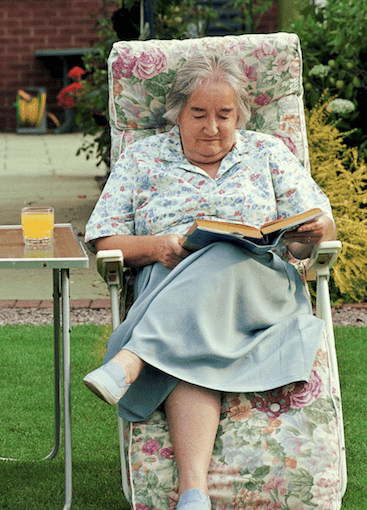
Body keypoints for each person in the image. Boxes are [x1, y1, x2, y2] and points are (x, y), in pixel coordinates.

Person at [82, 52, 336, 510]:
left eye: (225, 115)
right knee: (191, 346)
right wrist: (157, 246)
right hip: (173, 287)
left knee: (223, 248)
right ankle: (193, 493)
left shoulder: (267, 153)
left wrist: (316, 233)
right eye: (199, 114)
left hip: (261, 291)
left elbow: (313, 236)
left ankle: (132, 359)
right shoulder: (143, 158)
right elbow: (104, 238)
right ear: (176, 112)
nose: (212, 127)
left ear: (240, 116)